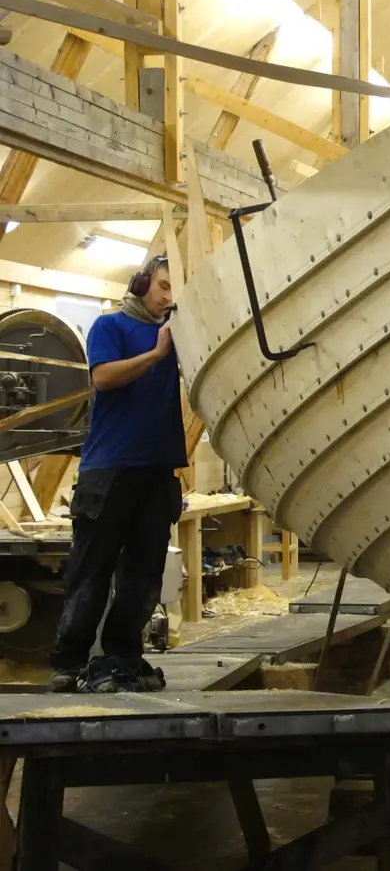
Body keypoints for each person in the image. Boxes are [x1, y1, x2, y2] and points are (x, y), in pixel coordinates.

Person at [48, 255, 186, 693]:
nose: (168, 297)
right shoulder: (110, 327)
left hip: (156, 471)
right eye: (163, 286)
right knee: (91, 572)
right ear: (142, 283)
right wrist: (157, 354)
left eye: (175, 289)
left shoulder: (177, 333)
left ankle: (122, 657)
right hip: (109, 472)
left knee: (144, 577)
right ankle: (69, 662)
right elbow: (104, 378)